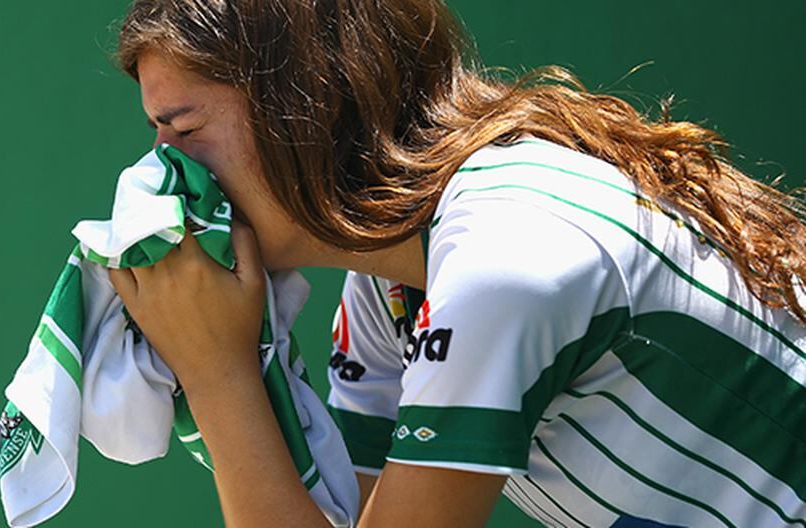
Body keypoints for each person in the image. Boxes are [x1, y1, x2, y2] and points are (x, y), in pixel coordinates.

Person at [106, 1, 806, 526]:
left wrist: (217, 374)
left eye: (184, 129)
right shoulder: (394, 290)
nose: (163, 170)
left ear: (307, 109)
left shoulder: (502, 253)